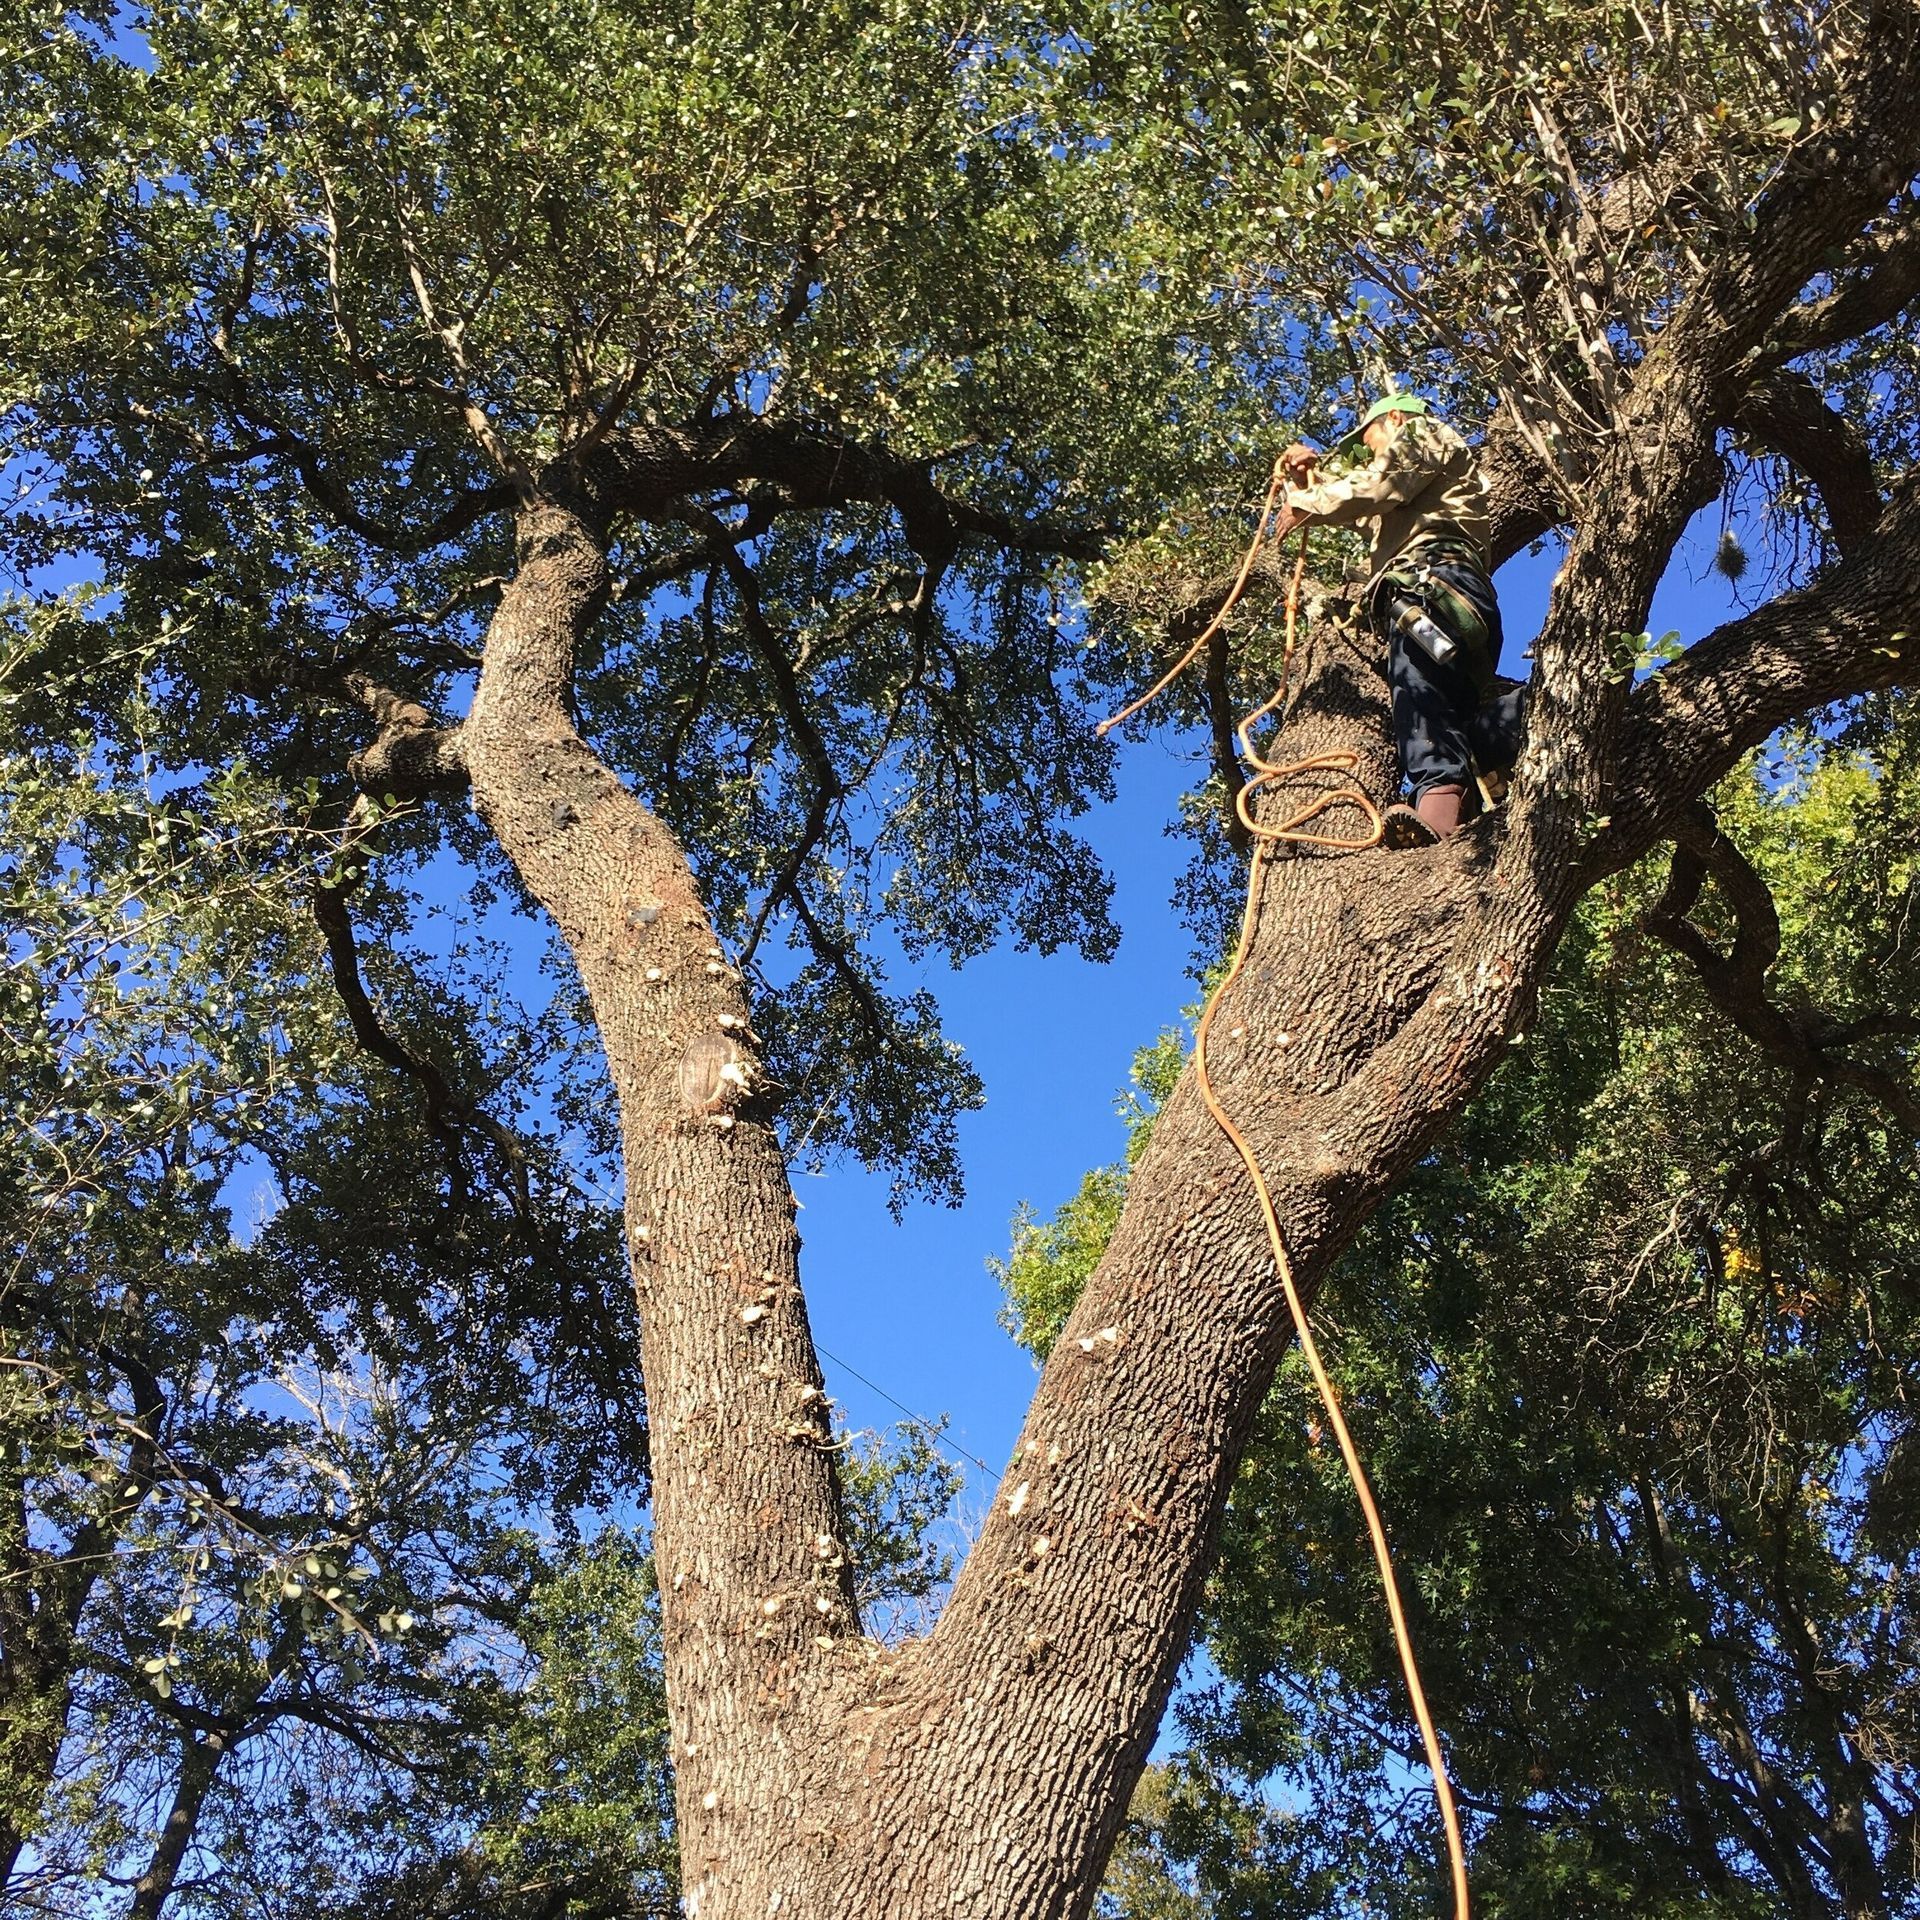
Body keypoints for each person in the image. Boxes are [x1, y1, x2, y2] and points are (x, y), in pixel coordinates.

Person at [1279, 393, 1523, 843]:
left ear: (1394, 417)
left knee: (1421, 701)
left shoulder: (1422, 434)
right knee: (1454, 722)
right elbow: (1371, 509)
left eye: (1370, 440)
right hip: (1452, 596)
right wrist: (1309, 483)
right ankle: (1539, 713)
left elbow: (1380, 484)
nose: (1371, 452)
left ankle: (1439, 806)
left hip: (1433, 587)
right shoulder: (1425, 488)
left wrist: (1308, 503)